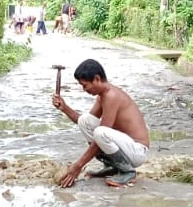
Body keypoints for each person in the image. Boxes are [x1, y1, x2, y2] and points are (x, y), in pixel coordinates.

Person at [53, 59, 151, 187]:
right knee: (85, 120)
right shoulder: (102, 95)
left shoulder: (111, 96)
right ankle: (114, 167)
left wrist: (78, 166)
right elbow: (85, 123)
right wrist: (64, 108)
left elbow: (101, 137)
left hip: (137, 152)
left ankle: (128, 172)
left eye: (85, 85)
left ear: (97, 79)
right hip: (126, 148)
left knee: (100, 132)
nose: (84, 89)